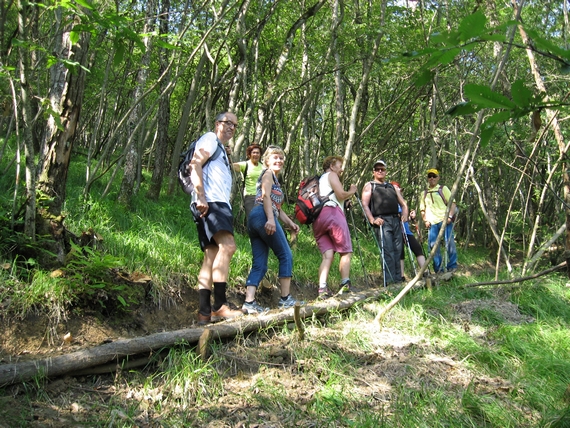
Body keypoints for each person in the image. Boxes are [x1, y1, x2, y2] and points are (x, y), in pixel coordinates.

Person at [190, 111, 246, 325]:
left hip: (210, 202)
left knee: (211, 254)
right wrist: (201, 196)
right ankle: (220, 306)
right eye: (227, 122)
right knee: (228, 246)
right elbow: (194, 164)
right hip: (212, 202)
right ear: (217, 124)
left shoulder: (219, 146)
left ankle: (205, 312)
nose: (231, 127)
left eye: (235, 125)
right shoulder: (210, 139)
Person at [242, 146, 303, 313]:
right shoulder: (267, 173)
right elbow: (265, 196)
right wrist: (270, 219)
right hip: (262, 215)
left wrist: (290, 223)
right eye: (275, 157)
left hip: (256, 217)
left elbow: (278, 208)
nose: (279, 160)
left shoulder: (275, 180)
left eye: (281, 158)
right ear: (267, 161)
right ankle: (285, 299)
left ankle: (249, 302)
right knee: (285, 255)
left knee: (260, 264)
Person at [312, 156, 358, 298]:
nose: (341, 169)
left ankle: (322, 289)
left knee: (328, 256)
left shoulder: (319, 181)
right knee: (345, 251)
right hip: (332, 214)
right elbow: (341, 194)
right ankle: (345, 285)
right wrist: (351, 190)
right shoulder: (331, 175)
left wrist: (345, 202)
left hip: (318, 219)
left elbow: (335, 197)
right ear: (332, 166)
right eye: (339, 165)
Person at [361, 160, 408, 284]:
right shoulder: (370, 185)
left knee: (398, 249)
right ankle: (389, 280)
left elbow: (403, 204)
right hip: (382, 221)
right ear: (373, 172)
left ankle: (398, 279)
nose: (380, 171)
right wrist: (372, 220)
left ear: (386, 171)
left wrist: (405, 215)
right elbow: (364, 205)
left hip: (396, 220)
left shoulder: (392, 186)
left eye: (382, 169)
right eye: (377, 169)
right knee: (387, 250)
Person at [419, 168, 458, 273]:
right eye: (430, 176)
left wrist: (449, 217)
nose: (432, 178)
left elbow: (453, 203)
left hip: (444, 220)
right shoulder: (424, 193)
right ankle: (438, 269)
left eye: (434, 176)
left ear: (438, 178)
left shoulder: (443, 189)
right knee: (433, 246)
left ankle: (452, 266)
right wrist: (425, 220)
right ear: (427, 178)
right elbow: (422, 209)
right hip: (432, 223)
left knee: (449, 242)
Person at [390, 181, 426, 280]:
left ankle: (424, 272)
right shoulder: (391, 203)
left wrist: (410, 217)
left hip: (407, 231)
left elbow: (404, 219)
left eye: (399, 189)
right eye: (395, 189)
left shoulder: (402, 203)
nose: (398, 191)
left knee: (417, 248)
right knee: (400, 253)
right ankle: (401, 276)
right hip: (397, 232)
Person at [233, 144, 263, 218]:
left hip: (262, 197)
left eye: (257, 153)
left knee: (261, 220)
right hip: (250, 197)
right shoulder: (245, 164)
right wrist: (227, 155)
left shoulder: (263, 167)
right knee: (252, 219)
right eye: (254, 152)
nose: (256, 154)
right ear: (249, 154)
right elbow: (231, 166)